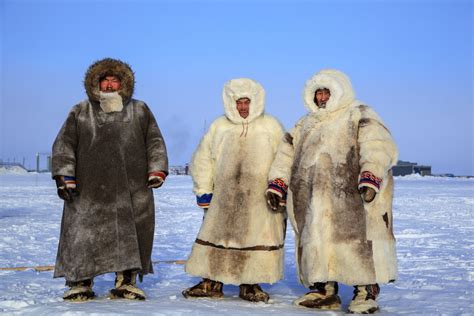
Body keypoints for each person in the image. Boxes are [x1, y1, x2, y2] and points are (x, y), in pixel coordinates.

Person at [266, 69, 398, 314]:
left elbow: (378, 145)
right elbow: (286, 153)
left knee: (358, 243)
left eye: (327, 92)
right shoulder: (304, 124)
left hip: (352, 197)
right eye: (318, 93)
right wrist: (278, 182)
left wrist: (371, 175)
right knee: (317, 240)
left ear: (339, 92)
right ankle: (324, 289)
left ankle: (365, 291)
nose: (322, 97)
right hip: (312, 199)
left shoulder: (359, 113)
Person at [51, 58, 168, 301]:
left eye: (115, 80)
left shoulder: (140, 110)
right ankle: (81, 281)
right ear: (96, 83)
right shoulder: (80, 111)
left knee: (129, 234)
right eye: (105, 80)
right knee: (83, 234)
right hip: (87, 190)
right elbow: (65, 144)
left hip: (131, 188)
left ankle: (126, 281)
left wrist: (157, 169)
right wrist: (65, 175)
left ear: (124, 83)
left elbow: (154, 141)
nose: (110, 85)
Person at [182, 78, 287, 303]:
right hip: (223, 196)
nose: (242, 107)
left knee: (254, 237)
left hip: (258, 197)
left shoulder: (271, 126)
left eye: (246, 102)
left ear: (256, 101)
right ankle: (211, 282)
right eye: (238, 102)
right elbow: (202, 158)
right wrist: (203, 189)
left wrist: (278, 186)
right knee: (217, 237)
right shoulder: (219, 126)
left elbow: (285, 158)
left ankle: (250, 284)